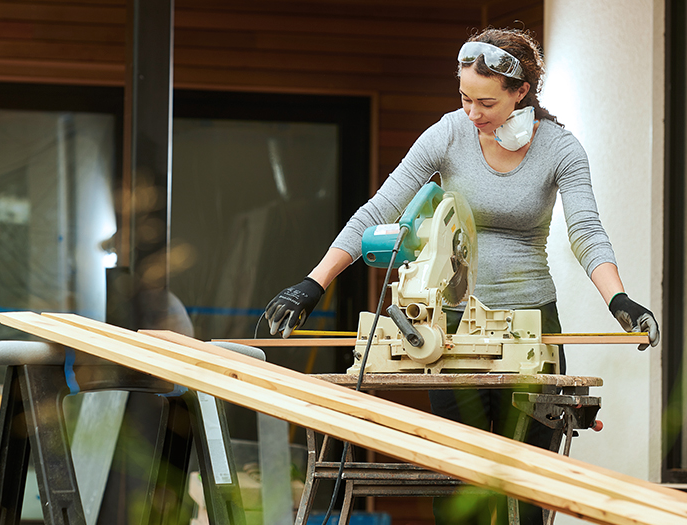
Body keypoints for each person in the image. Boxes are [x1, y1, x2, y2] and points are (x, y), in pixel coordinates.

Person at [263, 27, 659, 525]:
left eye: (486, 103)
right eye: (464, 98)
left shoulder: (561, 149)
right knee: (457, 490)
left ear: (521, 92)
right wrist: (314, 282)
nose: (473, 114)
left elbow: (586, 231)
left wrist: (619, 301)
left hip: (530, 329)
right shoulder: (447, 134)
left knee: (527, 490)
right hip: (449, 330)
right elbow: (380, 210)